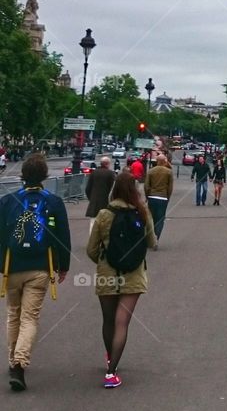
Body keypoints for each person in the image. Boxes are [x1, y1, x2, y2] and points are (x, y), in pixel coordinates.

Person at [0, 153, 72, 391]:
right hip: (41, 266)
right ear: (44, 175)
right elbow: (62, 236)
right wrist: (63, 266)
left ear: (23, 174)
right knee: (30, 317)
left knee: (13, 314)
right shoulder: (53, 201)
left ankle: (13, 360)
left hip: (13, 266)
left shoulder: (8, 200)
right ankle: (20, 363)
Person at [86, 170, 157, 388]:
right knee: (122, 323)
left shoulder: (104, 215)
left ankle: (110, 357)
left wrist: (104, 259)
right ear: (134, 190)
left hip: (108, 274)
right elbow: (151, 242)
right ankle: (111, 372)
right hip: (133, 275)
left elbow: (91, 249)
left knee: (108, 321)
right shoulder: (142, 212)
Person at [144, 153, 173, 240]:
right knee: (160, 219)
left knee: (151, 219)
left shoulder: (151, 171)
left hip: (152, 196)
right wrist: (168, 197)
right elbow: (170, 187)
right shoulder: (169, 172)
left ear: (156, 161)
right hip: (163, 197)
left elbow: (146, 186)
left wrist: (147, 196)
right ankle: (156, 237)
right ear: (164, 161)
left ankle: (150, 237)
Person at [85, 155, 115, 235]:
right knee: (105, 223)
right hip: (106, 202)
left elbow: (88, 188)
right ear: (107, 164)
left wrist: (91, 198)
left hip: (94, 202)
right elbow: (113, 189)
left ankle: (92, 242)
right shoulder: (110, 174)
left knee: (93, 222)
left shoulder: (94, 173)